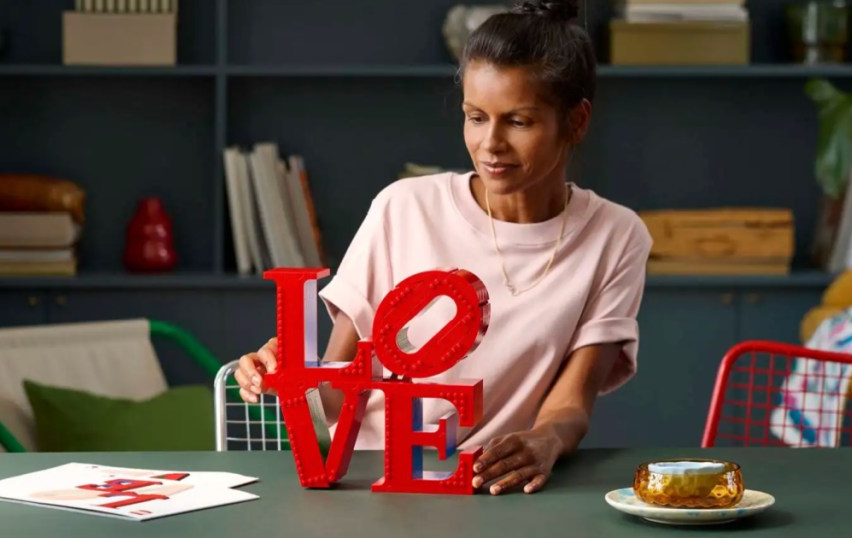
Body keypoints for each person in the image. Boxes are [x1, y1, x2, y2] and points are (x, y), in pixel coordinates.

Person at [234, 0, 652, 496]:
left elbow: (571, 404)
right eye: (476, 117)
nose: (489, 143)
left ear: (576, 122)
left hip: (492, 489)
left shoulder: (616, 235)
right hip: (372, 485)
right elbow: (333, 390)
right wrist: (286, 374)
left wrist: (543, 441)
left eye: (518, 121)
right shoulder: (402, 209)